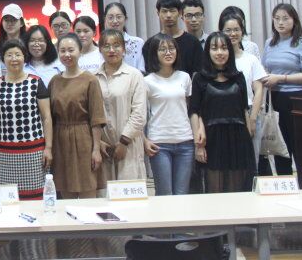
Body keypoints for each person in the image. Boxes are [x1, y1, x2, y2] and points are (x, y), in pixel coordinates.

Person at [191, 32, 256, 193]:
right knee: (214, 190)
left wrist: (248, 141)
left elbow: (244, 110)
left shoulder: (239, 77)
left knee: (238, 190)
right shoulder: (199, 78)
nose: (219, 52)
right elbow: (194, 111)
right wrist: (198, 145)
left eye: (224, 48)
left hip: (237, 138)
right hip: (211, 140)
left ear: (230, 51)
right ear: (208, 51)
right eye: (214, 48)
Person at [0, 38, 51, 202]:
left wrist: (48, 148)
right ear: (3, 59)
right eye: (9, 55)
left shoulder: (35, 82)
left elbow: (46, 117)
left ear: (24, 57)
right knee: (8, 199)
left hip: (34, 152)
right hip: (5, 153)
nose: (14, 59)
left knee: (35, 200)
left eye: (18, 54)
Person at [49, 33, 106, 198]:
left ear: (80, 51)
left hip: (84, 139)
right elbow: (49, 117)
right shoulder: (54, 81)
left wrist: (96, 150)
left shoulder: (90, 80)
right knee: (65, 192)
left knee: (88, 190)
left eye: (71, 50)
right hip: (60, 141)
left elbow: (97, 119)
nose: (67, 54)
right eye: (62, 51)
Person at [261, 3, 302, 176]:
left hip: (295, 98)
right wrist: (266, 78)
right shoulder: (269, 43)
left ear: (294, 20)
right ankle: (284, 182)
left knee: (298, 145)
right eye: (277, 19)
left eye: (285, 18)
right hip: (273, 97)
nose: (280, 22)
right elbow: (264, 69)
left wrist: (280, 78)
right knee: (280, 146)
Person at [143, 33, 198, 196]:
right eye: (162, 49)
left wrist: (196, 137)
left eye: (171, 48)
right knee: (164, 194)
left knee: (182, 194)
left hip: (185, 142)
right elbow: (140, 114)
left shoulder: (185, 77)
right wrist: (144, 140)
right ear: (154, 53)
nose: (168, 52)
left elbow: (190, 109)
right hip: (159, 143)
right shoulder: (147, 81)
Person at [95, 30, 147, 183]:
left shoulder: (134, 75)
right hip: (103, 148)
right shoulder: (93, 78)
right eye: (106, 46)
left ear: (124, 49)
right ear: (100, 49)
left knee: (129, 191)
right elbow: (90, 114)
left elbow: (139, 114)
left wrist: (124, 142)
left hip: (129, 145)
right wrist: (98, 142)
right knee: (104, 194)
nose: (111, 50)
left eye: (116, 45)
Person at [220, 13, 266, 159]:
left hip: (249, 111)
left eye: (236, 29)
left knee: (251, 160)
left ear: (242, 31)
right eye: (228, 30)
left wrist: (253, 119)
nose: (233, 34)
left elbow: (259, 89)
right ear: (221, 32)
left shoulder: (251, 59)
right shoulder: (217, 60)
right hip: (224, 114)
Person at [143, 0, 200, 76]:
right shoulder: (150, 44)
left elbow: (197, 73)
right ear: (158, 13)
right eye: (164, 11)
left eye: (172, 11)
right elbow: (150, 74)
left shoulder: (193, 42)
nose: (168, 15)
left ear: (180, 13)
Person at [103, 2, 145, 71]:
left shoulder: (137, 42)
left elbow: (141, 69)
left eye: (119, 17)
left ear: (125, 19)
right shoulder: (102, 44)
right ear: (105, 19)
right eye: (110, 17)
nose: (115, 21)